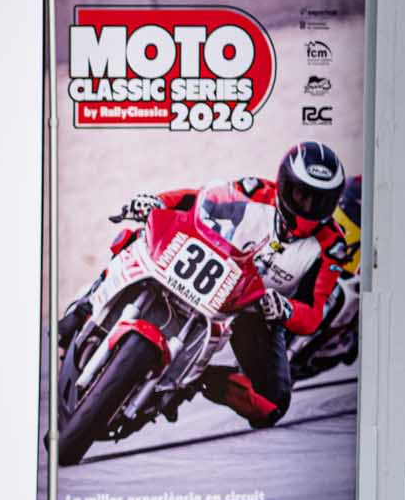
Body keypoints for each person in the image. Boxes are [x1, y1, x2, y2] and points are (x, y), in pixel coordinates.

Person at [81, 141, 349, 427]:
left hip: (254, 308)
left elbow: (313, 313)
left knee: (271, 406)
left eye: (320, 201)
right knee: (141, 237)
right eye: (302, 195)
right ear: (285, 184)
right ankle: (84, 308)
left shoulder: (331, 247)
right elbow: (197, 199)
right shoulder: (255, 192)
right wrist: (159, 202)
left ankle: (197, 380)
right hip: (212, 263)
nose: (309, 207)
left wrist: (284, 309)